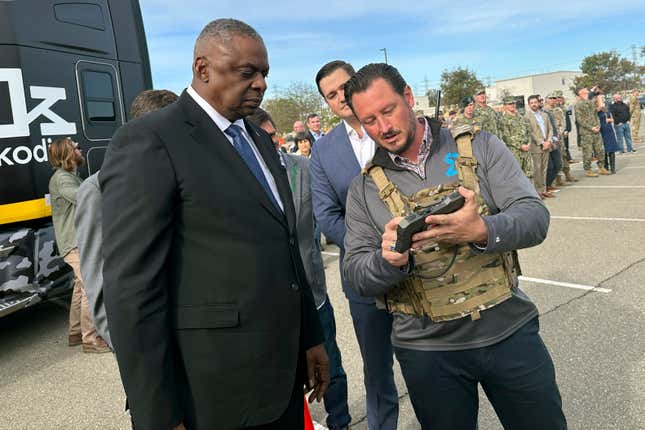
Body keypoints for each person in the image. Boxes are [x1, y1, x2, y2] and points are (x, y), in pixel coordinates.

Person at [100, 19, 328, 430]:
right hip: (212, 394)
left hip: (281, 381)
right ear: (203, 69)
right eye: (247, 73)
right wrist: (158, 412)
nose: (260, 84)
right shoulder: (151, 140)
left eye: (264, 74)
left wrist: (310, 338)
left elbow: (287, 244)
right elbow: (132, 288)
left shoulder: (257, 140)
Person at [342, 62, 566, 430]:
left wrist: (481, 230)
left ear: (409, 98)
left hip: (507, 331)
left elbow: (534, 218)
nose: (383, 127)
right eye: (369, 120)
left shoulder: (478, 146)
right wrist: (388, 261)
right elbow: (355, 275)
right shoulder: (364, 190)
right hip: (428, 351)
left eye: (388, 110)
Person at [248, 107, 352, 430]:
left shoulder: (305, 169)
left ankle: (341, 420)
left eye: (273, 136)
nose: (271, 144)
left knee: (329, 364)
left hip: (312, 291)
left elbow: (327, 218)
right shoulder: (240, 178)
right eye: (261, 139)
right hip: (268, 302)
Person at [310, 60, 398, 430]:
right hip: (364, 277)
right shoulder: (324, 151)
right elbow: (327, 215)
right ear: (328, 103)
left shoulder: (393, 128)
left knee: (433, 364)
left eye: (344, 86)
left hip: (422, 266)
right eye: (331, 95)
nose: (341, 97)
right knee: (377, 369)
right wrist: (373, 247)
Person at [75, 89, 179, 350]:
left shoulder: (185, 177)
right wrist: (125, 344)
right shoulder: (97, 189)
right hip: (146, 342)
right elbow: (96, 274)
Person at [47, 138, 111, 353]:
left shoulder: (70, 177)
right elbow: (84, 198)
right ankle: (91, 339)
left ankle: (75, 332)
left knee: (79, 287)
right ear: (67, 154)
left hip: (74, 241)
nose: (80, 149)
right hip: (74, 243)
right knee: (90, 287)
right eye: (76, 147)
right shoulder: (62, 180)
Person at [575, 87, 610, 177]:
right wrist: (591, 128)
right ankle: (588, 170)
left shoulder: (591, 103)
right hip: (587, 133)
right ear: (581, 93)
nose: (588, 91)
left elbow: (596, 115)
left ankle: (601, 167)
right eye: (586, 90)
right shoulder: (578, 104)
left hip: (596, 130)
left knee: (600, 150)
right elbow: (580, 120)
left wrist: (598, 126)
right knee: (588, 152)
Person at [525, 94, 555, 198]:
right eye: (531, 103)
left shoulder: (544, 115)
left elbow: (550, 129)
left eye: (535, 102)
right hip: (536, 146)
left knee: (544, 168)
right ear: (529, 105)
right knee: (537, 169)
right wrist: (542, 142)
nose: (534, 104)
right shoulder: (527, 116)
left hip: (547, 145)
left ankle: (544, 189)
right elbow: (530, 132)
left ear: (538, 103)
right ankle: (537, 191)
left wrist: (549, 140)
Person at [499, 96, 533, 180]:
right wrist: (520, 146)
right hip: (515, 151)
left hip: (526, 150)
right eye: (510, 104)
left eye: (514, 103)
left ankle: (530, 192)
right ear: (505, 106)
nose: (512, 105)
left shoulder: (521, 117)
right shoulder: (503, 120)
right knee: (516, 174)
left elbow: (528, 131)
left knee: (529, 173)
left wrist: (529, 143)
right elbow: (506, 137)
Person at [596, 96, 620, 174]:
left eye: (602, 100)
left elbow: (612, 119)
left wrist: (610, 120)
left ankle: (613, 168)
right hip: (602, 132)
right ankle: (606, 167)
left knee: (611, 150)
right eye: (600, 100)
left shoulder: (606, 110)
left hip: (609, 131)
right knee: (604, 151)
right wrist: (599, 106)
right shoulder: (596, 111)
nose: (602, 102)